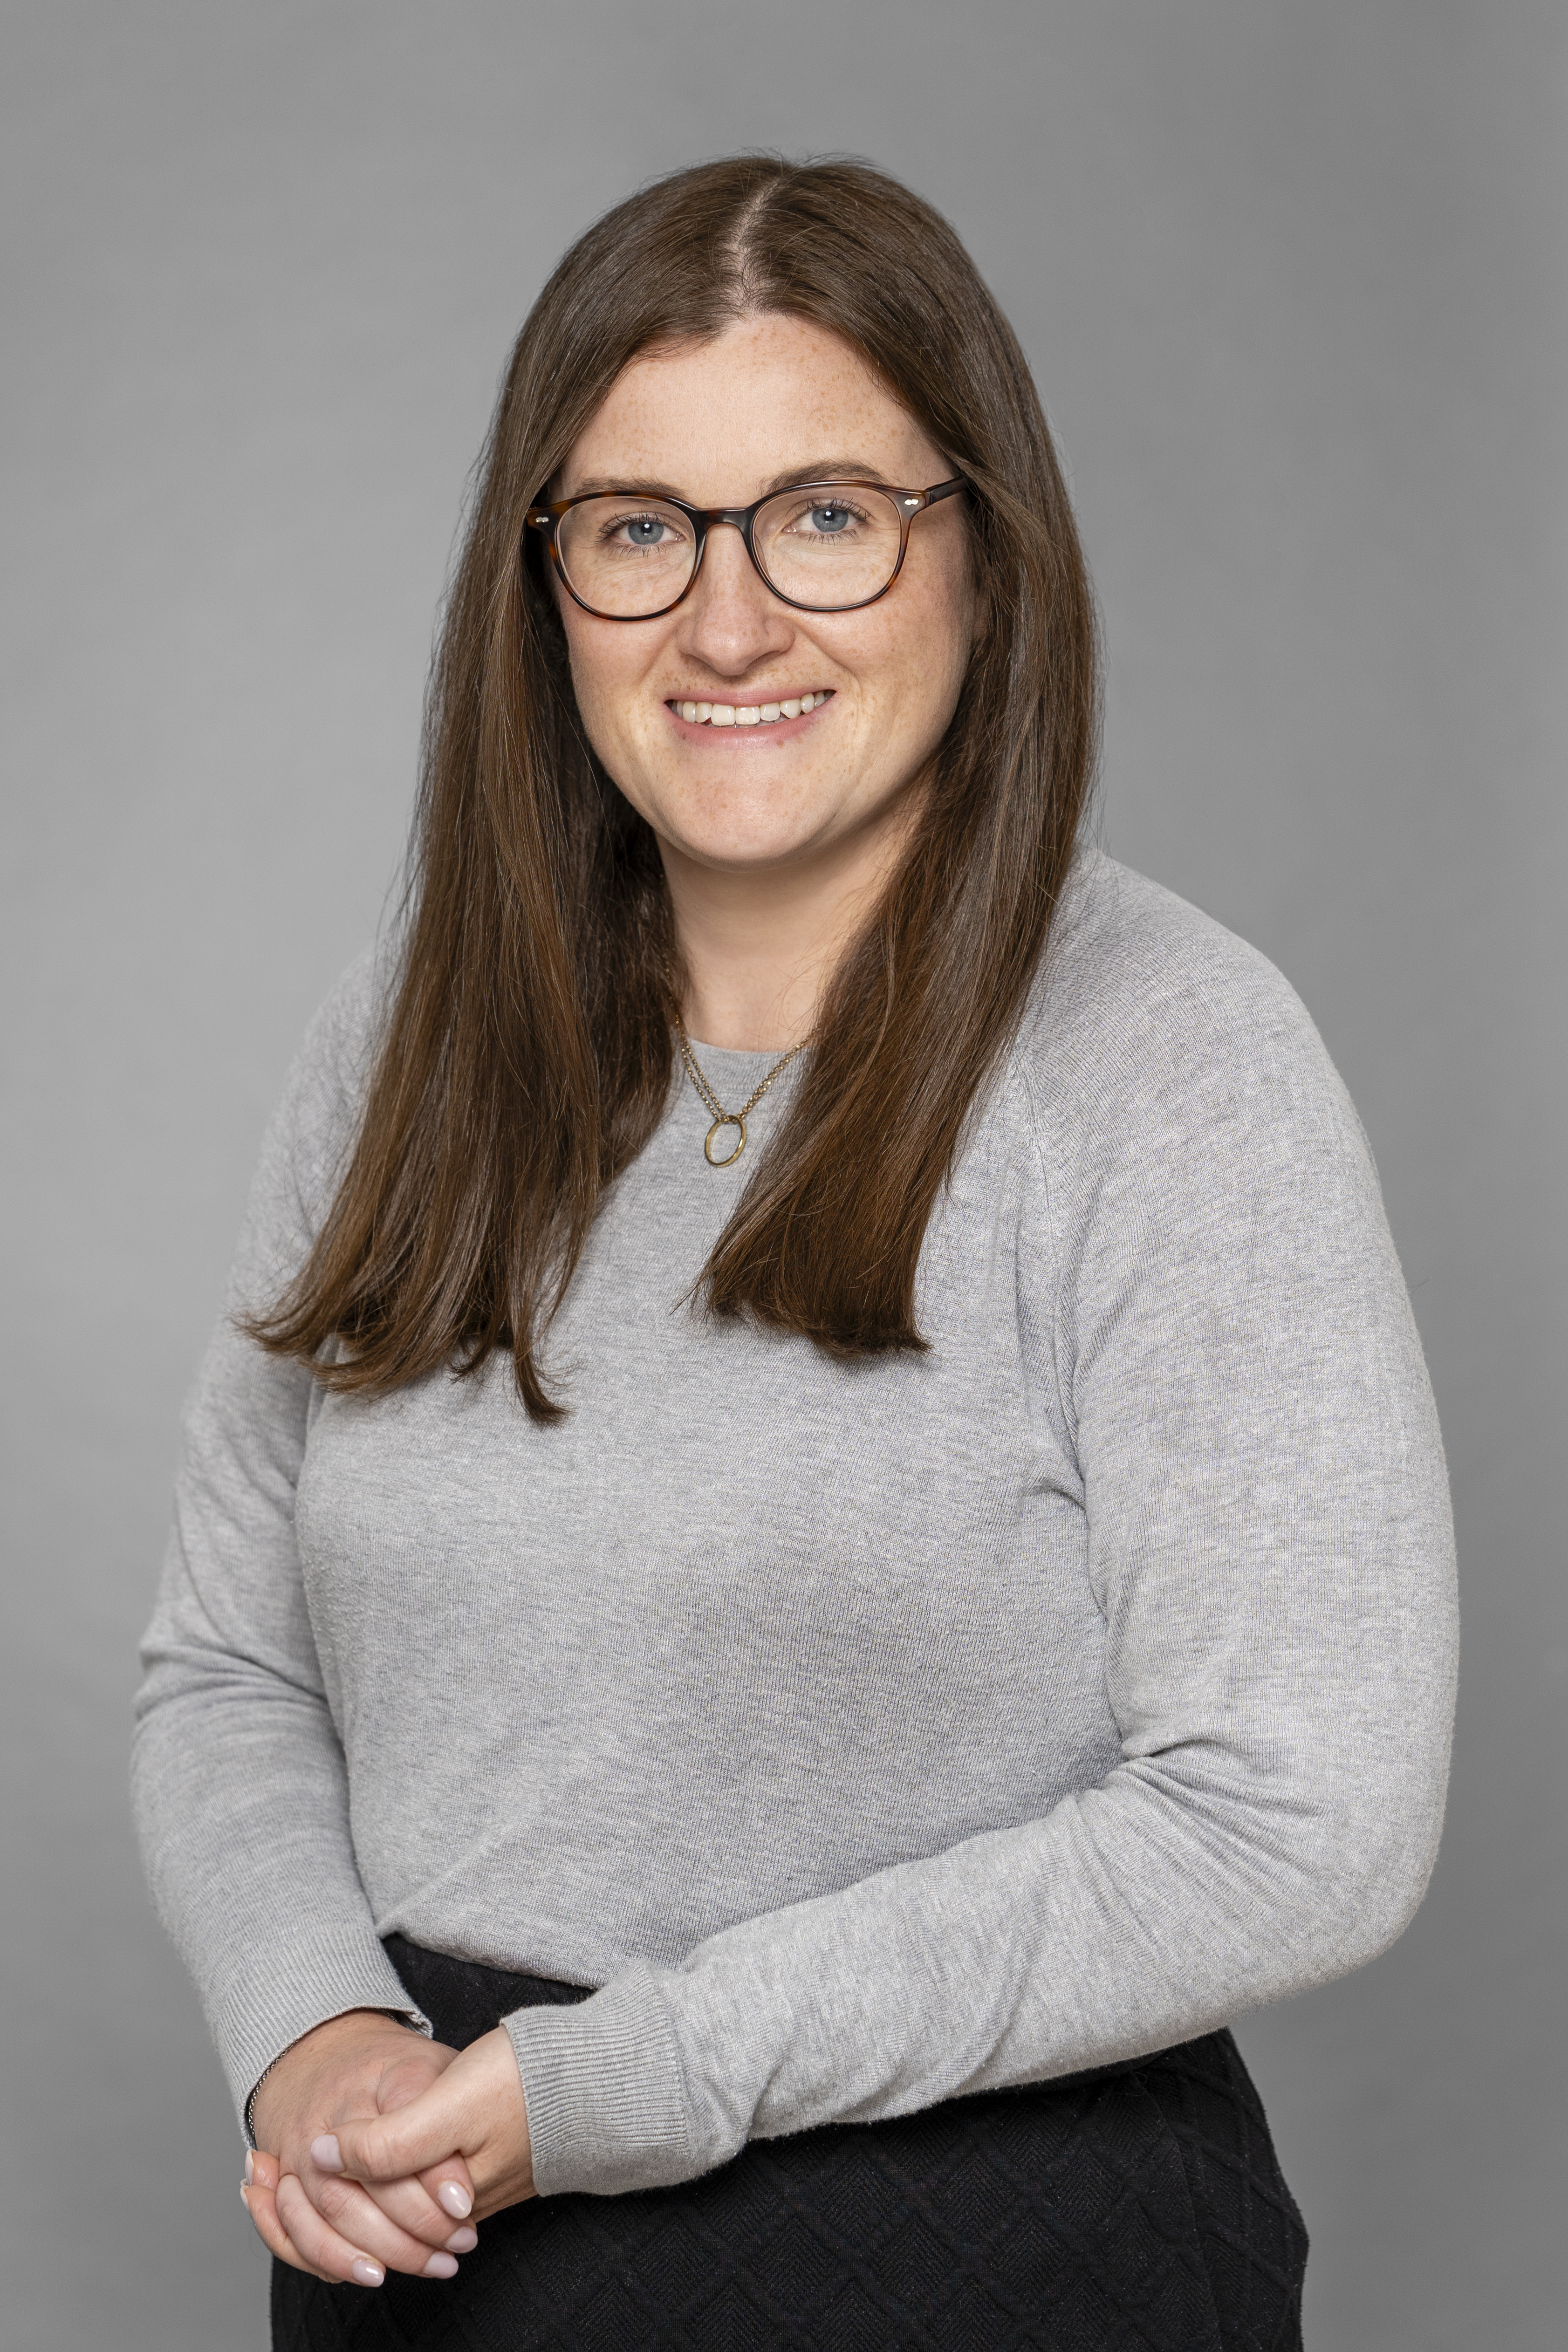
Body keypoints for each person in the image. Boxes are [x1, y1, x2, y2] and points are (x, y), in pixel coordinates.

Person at [133, 156, 1457, 2352]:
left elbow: (1296, 1816)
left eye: (823, 513)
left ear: (979, 550)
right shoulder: (422, 1025)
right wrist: (314, 2042)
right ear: (540, 581)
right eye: (636, 529)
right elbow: (229, 1664)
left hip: (982, 2252)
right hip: (437, 2244)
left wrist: (614, 2078)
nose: (724, 624)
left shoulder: (1167, 1057)